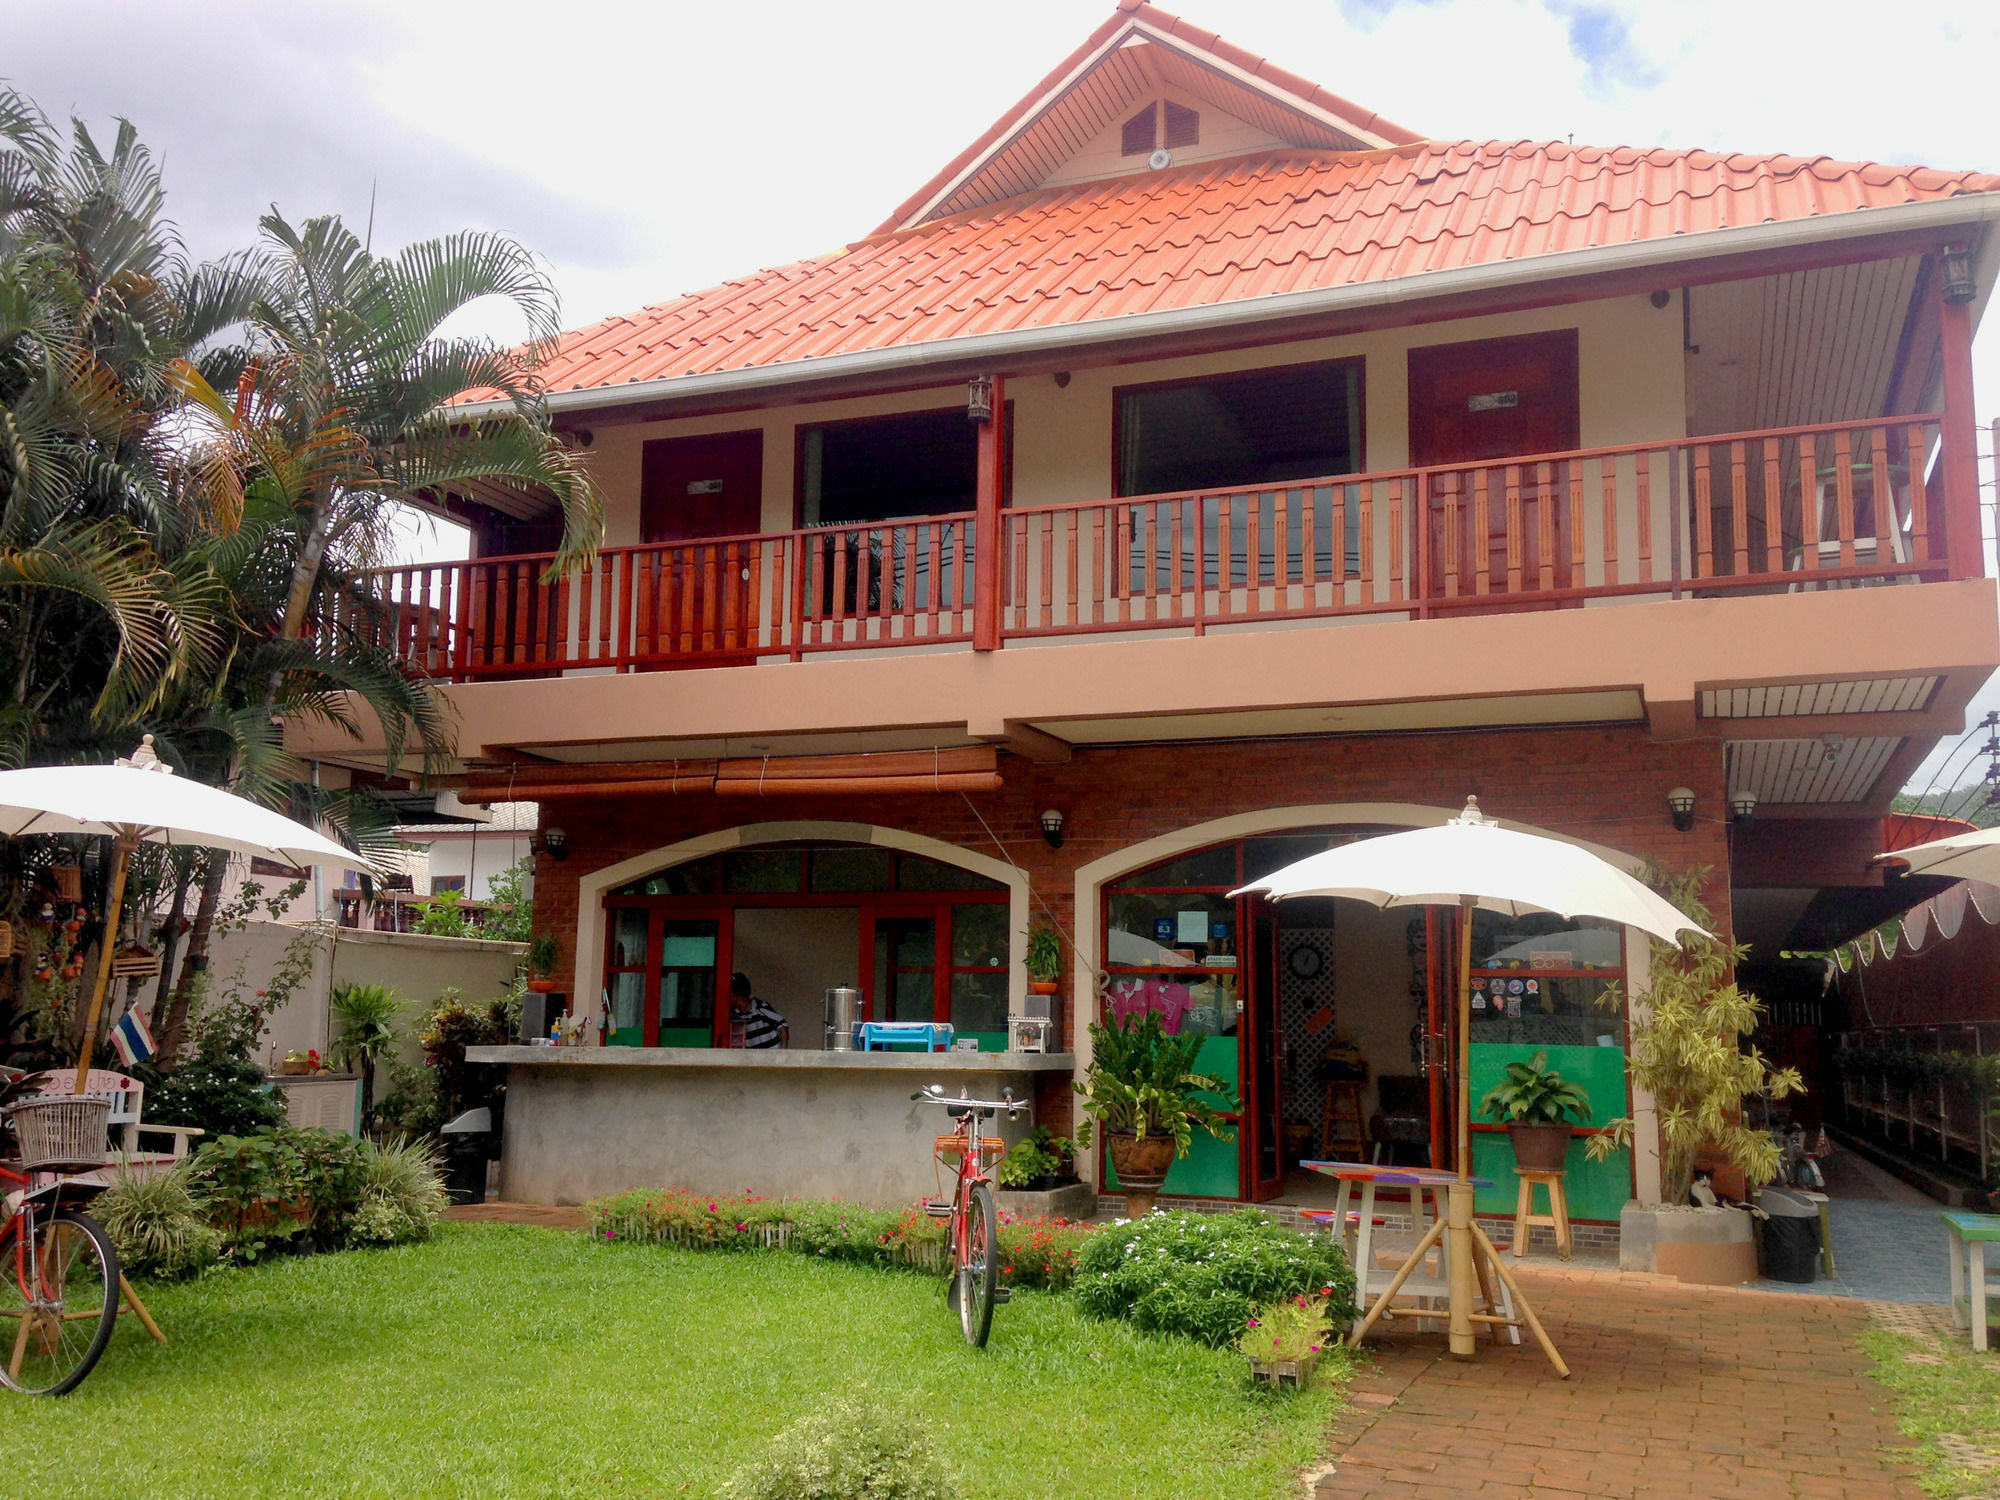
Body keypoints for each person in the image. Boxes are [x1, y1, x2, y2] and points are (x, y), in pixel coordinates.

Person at [729, 972, 788, 1049]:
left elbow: (782, 1026)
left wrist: (782, 1052)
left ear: (737, 993)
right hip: (754, 1058)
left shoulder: (760, 1007)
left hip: (772, 1056)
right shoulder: (733, 1015)